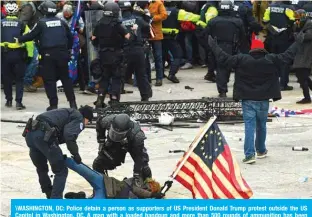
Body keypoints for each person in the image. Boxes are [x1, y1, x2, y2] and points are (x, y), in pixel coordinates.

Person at [208, 35, 298, 164]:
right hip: (264, 99)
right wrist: (298, 42)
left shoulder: (241, 59)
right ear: (263, 49)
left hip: (248, 99)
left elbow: (224, 58)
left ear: (251, 49)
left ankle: (249, 155)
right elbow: (288, 55)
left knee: (249, 127)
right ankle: (261, 150)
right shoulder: (271, 59)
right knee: (261, 125)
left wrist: (213, 45)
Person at [16, 1, 77, 111]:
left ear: (44, 10)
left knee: (49, 80)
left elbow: (31, 35)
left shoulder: (41, 23)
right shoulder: (61, 22)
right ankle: (73, 104)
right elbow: (70, 37)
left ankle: (53, 105)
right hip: (62, 54)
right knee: (66, 79)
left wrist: (19, 39)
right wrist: (67, 49)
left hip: (48, 55)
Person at [24, 105, 94, 198]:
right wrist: (75, 153)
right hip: (44, 137)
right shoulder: (78, 117)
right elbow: (69, 135)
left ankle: (49, 193)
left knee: (41, 168)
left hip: (30, 136)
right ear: (86, 117)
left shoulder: (67, 112)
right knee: (61, 170)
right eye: (88, 121)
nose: (87, 124)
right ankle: (56, 201)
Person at [93, 114, 152, 187]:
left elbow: (138, 157)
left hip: (132, 143)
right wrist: (101, 141)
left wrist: (136, 174)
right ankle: (103, 186)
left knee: (143, 166)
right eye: (114, 132)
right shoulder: (107, 120)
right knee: (98, 164)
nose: (116, 135)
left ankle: (148, 186)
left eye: (118, 134)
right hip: (113, 142)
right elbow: (99, 124)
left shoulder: (137, 136)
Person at [63, 157, 164, 199]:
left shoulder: (137, 192)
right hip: (106, 186)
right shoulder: (137, 184)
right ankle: (63, 159)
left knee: (84, 170)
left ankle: (80, 198)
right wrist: (152, 194)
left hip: (106, 187)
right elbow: (138, 190)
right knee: (84, 170)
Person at [91, 2, 130, 108]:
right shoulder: (117, 24)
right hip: (116, 55)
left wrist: (100, 46)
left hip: (103, 55)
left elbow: (93, 39)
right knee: (117, 77)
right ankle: (114, 99)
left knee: (105, 77)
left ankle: (100, 98)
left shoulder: (99, 23)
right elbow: (127, 36)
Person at [205, 0, 245, 98]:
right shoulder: (237, 21)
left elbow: (206, 35)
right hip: (233, 48)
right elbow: (243, 36)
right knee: (238, 70)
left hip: (217, 48)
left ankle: (222, 91)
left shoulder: (213, 21)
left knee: (221, 70)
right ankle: (238, 92)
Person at [1, 1, 33, 110]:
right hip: (19, 55)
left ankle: (8, 100)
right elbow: (29, 40)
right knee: (19, 79)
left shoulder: (1, 23)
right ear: (16, 11)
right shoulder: (22, 24)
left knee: (7, 78)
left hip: (4, 55)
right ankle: (19, 103)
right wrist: (30, 55)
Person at [119, 1, 153, 102]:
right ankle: (145, 96)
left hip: (125, 51)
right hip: (138, 50)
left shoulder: (119, 22)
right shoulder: (138, 19)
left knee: (120, 75)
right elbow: (147, 27)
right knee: (141, 74)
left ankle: (115, 97)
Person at [162, 1, 200, 83]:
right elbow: (193, 17)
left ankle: (160, 74)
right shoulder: (177, 11)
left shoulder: (160, 10)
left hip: (160, 38)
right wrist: (202, 17)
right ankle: (172, 74)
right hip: (171, 38)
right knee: (178, 55)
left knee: (162, 56)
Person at [263, 0, 296, 91]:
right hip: (284, 37)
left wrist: (272, 28)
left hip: (272, 37)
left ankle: (272, 83)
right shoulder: (287, 8)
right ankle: (283, 84)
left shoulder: (270, 7)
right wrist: (287, 29)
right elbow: (293, 20)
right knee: (285, 60)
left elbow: (265, 20)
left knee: (272, 59)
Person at [292, 9, 312, 104]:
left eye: (298, 16)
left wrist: (297, 32)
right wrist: (297, 30)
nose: (297, 19)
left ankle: (307, 98)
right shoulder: (300, 25)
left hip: (307, 54)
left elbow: (305, 37)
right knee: (302, 76)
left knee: (302, 76)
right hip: (301, 53)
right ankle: (307, 97)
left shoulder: (309, 24)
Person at [148, 0, 168, 86]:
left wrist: (152, 18)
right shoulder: (141, 3)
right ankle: (147, 79)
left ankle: (159, 78)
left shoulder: (158, 3)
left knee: (158, 58)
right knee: (145, 59)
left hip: (156, 35)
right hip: (146, 35)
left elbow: (164, 15)